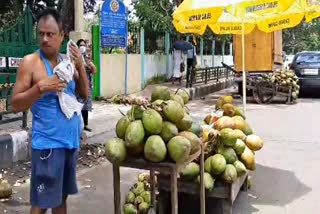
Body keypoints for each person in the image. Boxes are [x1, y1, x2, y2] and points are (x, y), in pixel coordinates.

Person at [11, 8, 89, 214]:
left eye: (50, 34)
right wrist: (40, 88)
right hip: (47, 146)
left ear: (62, 35)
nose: (44, 39)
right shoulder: (30, 63)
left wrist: (80, 67)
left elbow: (83, 95)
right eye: (41, 34)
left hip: (69, 143)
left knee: (60, 199)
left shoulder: (67, 63)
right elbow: (15, 104)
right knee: (42, 202)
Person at [76, 39, 96, 132]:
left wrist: (90, 65)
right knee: (78, 106)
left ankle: (86, 125)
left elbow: (94, 71)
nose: (82, 47)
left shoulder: (87, 58)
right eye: (80, 45)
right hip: (78, 85)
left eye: (84, 45)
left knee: (85, 106)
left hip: (87, 84)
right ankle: (77, 127)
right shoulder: (75, 57)